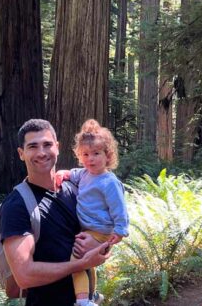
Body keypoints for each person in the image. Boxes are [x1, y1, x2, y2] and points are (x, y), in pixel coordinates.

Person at [0, 119, 111, 306]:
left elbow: (108, 225)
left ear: (57, 147)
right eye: (33, 146)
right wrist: (80, 264)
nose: (42, 152)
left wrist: (101, 242)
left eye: (47, 144)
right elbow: (24, 275)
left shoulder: (76, 188)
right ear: (21, 153)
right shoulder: (16, 206)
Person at [57, 119, 129, 306]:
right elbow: (72, 173)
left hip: (100, 231)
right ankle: (93, 295)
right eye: (85, 154)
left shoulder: (109, 182)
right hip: (89, 229)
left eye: (96, 153)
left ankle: (83, 301)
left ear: (108, 155)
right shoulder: (85, 174)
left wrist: (120, 231)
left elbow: (119, 208)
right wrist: (63, 173)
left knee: (77, 260)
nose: (90, 159)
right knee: (88, 263)